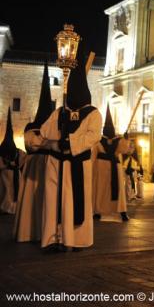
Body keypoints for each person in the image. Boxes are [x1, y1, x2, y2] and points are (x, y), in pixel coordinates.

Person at [40, 59, 102, 250]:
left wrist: (71, 142)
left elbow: (94, 136)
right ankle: (53, 238)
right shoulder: (60, 112)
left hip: (78, 164)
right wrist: (60, 135)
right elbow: (44, 131)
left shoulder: (93, 114)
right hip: (57, 164)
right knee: (54, 202)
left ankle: (76, 239)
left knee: (75, 202)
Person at [14, 62, 54, 241]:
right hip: (43, 165)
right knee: (38, 197)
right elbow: (35, 144)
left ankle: (31, 230)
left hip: (38, 165)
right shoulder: (46, 130)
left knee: (34, 198)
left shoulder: (33, 128)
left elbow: (32, 144)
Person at [92, 106, 129, 221]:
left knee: (101, 189)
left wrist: (125, 139)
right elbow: (124, 150)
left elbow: (93, 154)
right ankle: (120, 212)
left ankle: (98, 211)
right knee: (112, 189)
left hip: (102, 165)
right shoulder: (115, 140)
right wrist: (125, 140)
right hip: (110, 165)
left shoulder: (98, 140)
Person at [0, 108, 26, 215]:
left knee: (7, 192)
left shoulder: (5, 150)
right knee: (9, 192)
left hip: (7, 174)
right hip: (13, 174)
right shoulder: (18, 152)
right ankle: (12, 208)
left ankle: (8, 208)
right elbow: (23, 160)